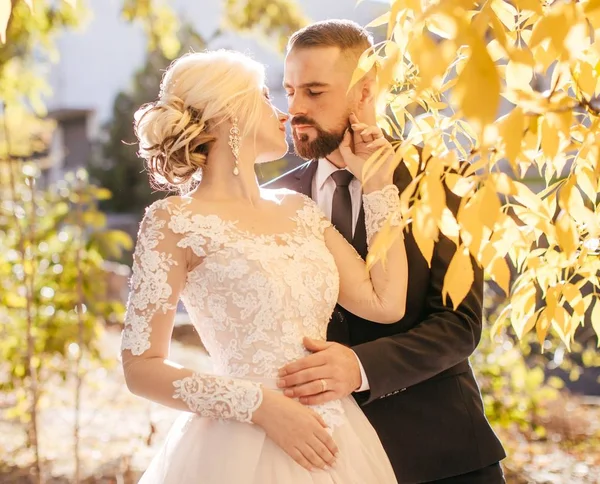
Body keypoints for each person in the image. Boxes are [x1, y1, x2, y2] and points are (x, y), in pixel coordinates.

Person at [120, 49, 409, 483]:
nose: (283, 113)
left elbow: (384, 303)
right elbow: (140, 368)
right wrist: (259, 405)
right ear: (228, 114)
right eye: (264, 98)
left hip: (337, 438)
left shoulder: (301, 209)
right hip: (237, 446)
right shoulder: (172, 222)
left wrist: (378, 184)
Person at [267, 19, 507, 484]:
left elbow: (459, 325)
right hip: (317, 460)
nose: (294, 108)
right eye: (289, 89)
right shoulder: (272, 201)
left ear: (364, 90)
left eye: (315, 92)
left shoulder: (443, 182)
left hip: (440, 454)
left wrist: (359, 367)